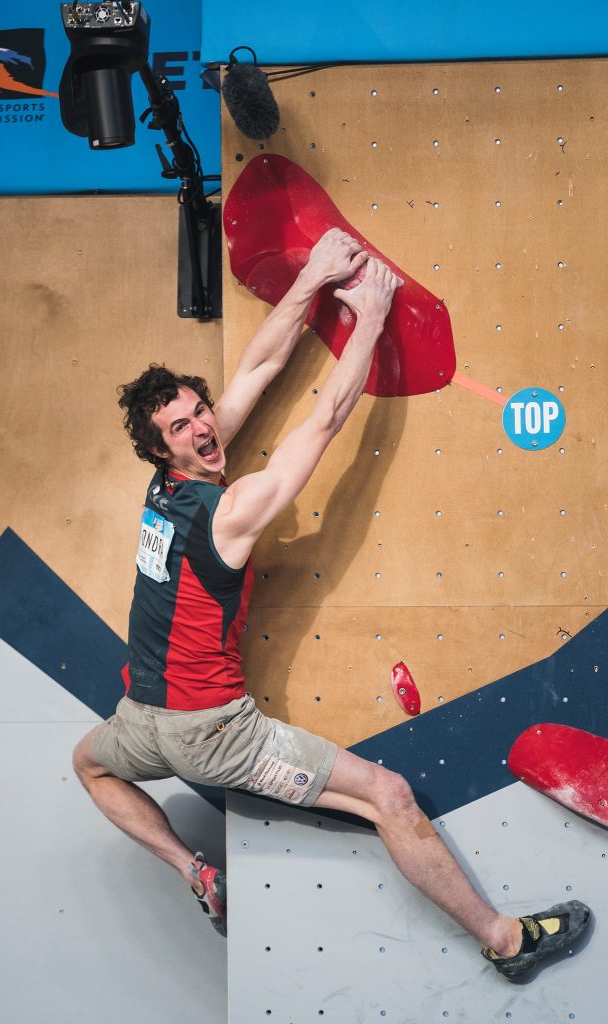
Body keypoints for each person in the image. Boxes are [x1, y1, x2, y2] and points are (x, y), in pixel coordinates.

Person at [73, 228, 590, 979]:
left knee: (89, 766)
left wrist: (313, 274)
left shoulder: (165, 488)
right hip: (213, 734)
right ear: (163, 450)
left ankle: (194, 870)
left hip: (140, 719)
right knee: (388, 795)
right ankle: (508, 943)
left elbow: (259, 364)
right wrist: (370, 319)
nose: (203, 427)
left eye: (197, 412)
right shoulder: (229, 512)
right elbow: (324, 422)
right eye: (182, 427)